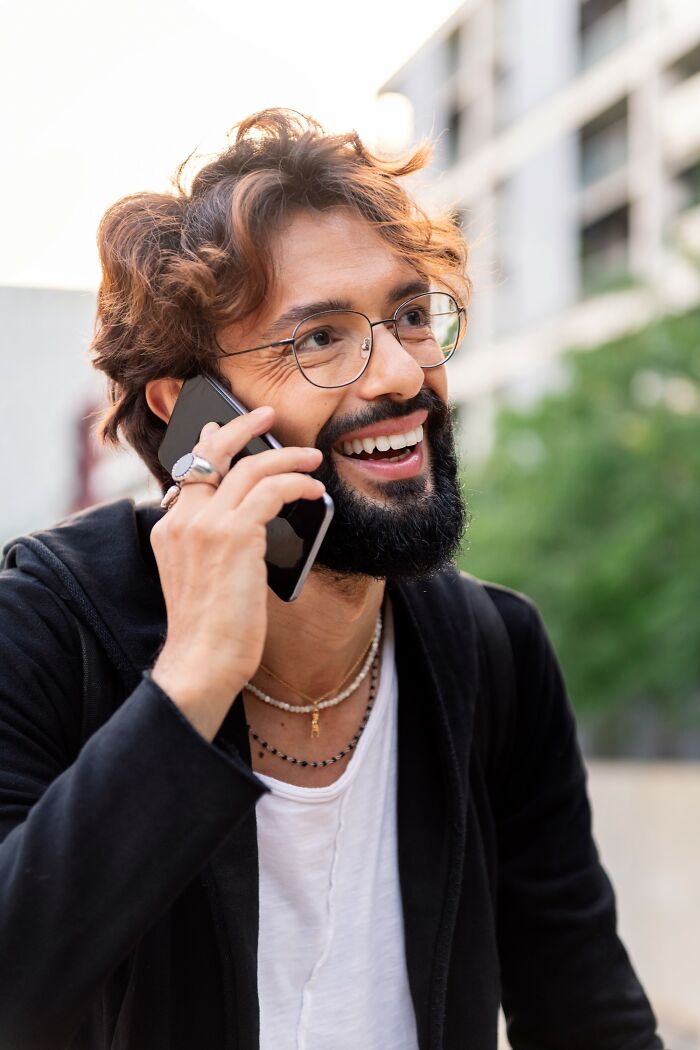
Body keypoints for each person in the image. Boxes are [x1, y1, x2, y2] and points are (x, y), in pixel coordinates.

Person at [0, 109, 663, 1050]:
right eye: (318, 340)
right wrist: (191, 677)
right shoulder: (46, 628)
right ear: (193, 412)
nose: (400, 374)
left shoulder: (495, 653)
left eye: (408, 316)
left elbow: (588, 1012)